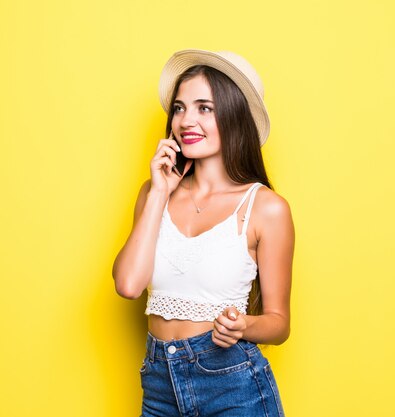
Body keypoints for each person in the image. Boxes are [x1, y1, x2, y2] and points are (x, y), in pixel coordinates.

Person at [112, 49, 295, 417]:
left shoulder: (266, 208)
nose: (186, 121)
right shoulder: (153, 193)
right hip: (159, 384)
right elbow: (128, 286)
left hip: (232, 385)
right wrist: (160, 192)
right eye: (179, 108)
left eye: (204, 108)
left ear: (234, 116)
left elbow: (279, 323)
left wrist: (244, 325)